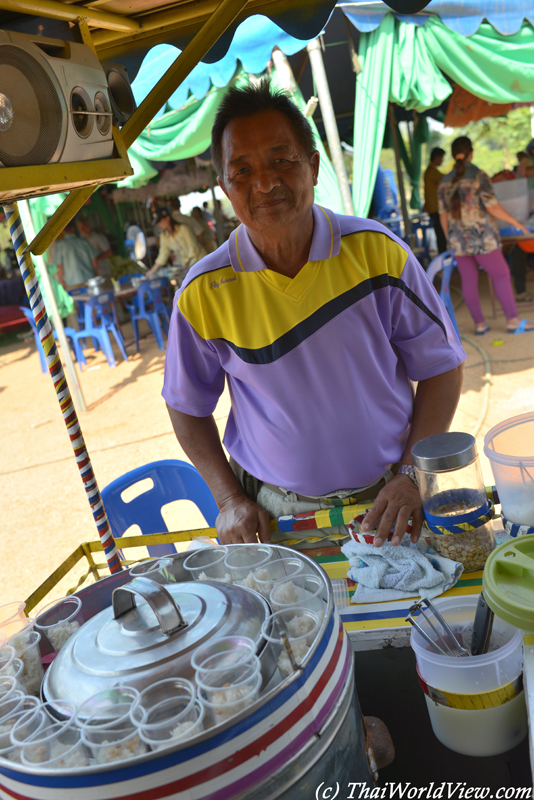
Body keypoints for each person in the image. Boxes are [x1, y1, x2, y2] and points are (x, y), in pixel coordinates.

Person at [162, 81, 466, 550]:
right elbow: (186, 407)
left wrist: (410, 475)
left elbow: (442, 365)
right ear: (223, 186)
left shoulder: (376, 254)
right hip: (278, 515)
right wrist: (227, 499)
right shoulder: (204, 291)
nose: (264, 183)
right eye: (241, 170)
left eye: (281, 160)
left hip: (390, 498)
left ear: (314, 165)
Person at [438, 136, 534, 335]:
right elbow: (493, 207)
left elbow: (443, 216)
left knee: (469, 281)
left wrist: (451, 239)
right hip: (482, 238)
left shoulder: (443, 182)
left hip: (458, 241)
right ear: (471, 153)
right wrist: (517, 223)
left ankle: (480, 324)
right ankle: (513, 321)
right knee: (501, 275)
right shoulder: (477, 175)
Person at [148, 210, 206, 277]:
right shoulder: (164, 235)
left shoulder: (183, 228)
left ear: (168, 218)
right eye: (158, 223)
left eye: (161, 221)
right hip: (187, 267)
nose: (160, 224)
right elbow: (163, 254)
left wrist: (186, 264)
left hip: (199, 262)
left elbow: (193, 248)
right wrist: (151, 271)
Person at [52, 221, 98, 288]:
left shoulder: (60, 246)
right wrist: (96, 274)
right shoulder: (84, 241)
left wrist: (61, 281)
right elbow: (94, 259)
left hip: (72, 282)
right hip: (90, 279)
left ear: (62, 231)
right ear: (73, 229)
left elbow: (59, 266)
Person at [424, 147, 447, 253]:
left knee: (440, 234)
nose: (442, 160)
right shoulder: (432, 172)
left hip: (433, 208)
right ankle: (443, 256)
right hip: (435, 209)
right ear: (437, 157)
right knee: (441, 234)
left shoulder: (431, 171)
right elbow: (446, 180)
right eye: (441, 158)